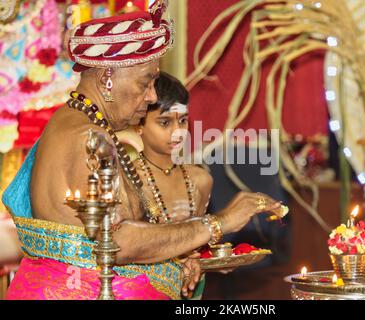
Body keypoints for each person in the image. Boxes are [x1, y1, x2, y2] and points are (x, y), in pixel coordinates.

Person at [2, 1, 281, 300]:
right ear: (107, 76)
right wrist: (219, 223)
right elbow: (117, 242)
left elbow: (99, 238)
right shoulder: (88, 136)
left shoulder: (77, 123)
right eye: (145, 82)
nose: (150, 97)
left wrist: (175, 258)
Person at [135, 72, 214, 298]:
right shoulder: (129, 178)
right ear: (138, 124)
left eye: (182, 120)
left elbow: (197, 244)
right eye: (164, 122)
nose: (177, 132)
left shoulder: (201, 180)